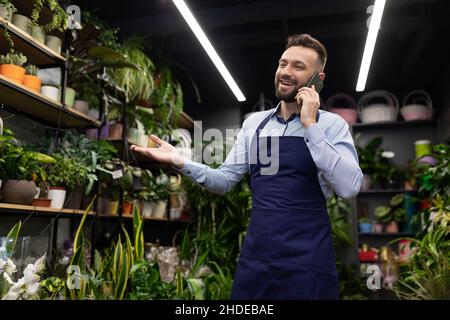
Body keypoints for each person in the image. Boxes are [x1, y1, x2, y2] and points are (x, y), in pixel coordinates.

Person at [130, 34, 363, 299]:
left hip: (307, 264)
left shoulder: (332, 126)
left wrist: (310, 125)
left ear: (317, 80)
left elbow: (349, 187)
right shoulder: (255, 124)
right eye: (282, 64)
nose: (285, 72)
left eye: (298, 67)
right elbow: (225, 180)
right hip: (256, 262)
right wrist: (179, 160)